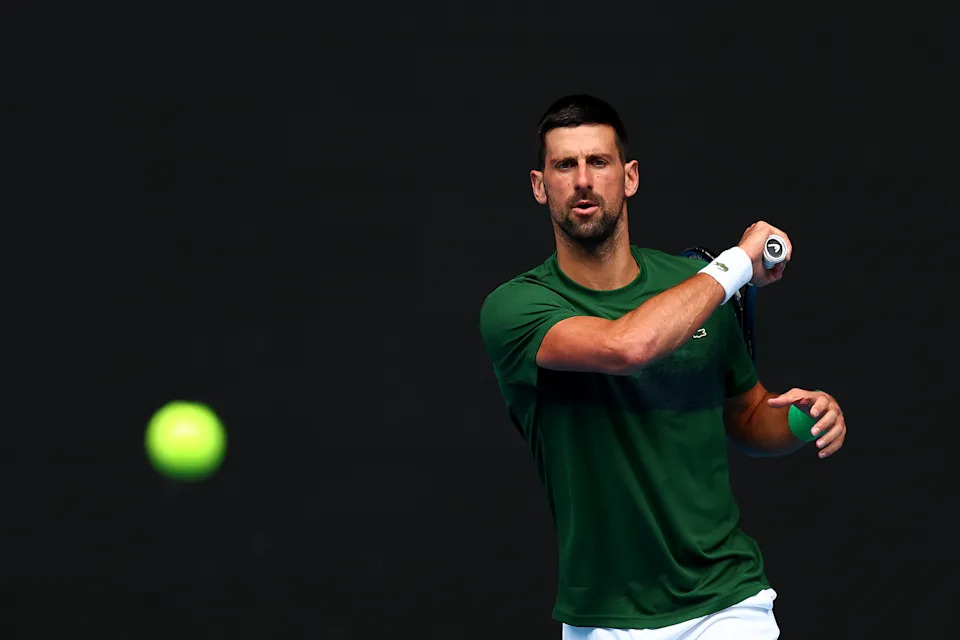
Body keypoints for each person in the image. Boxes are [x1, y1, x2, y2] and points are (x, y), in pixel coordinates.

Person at [477, 94, 847, 639]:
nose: (583, 180)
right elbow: (625, 347)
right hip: (602, 615)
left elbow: (746, 417)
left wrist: (804, 418)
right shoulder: (515, 307)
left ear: (629, 177)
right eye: (565, 165)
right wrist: (738, 265)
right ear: (540, 185)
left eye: (598, 162)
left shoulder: (698, 289)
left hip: (726, 599)